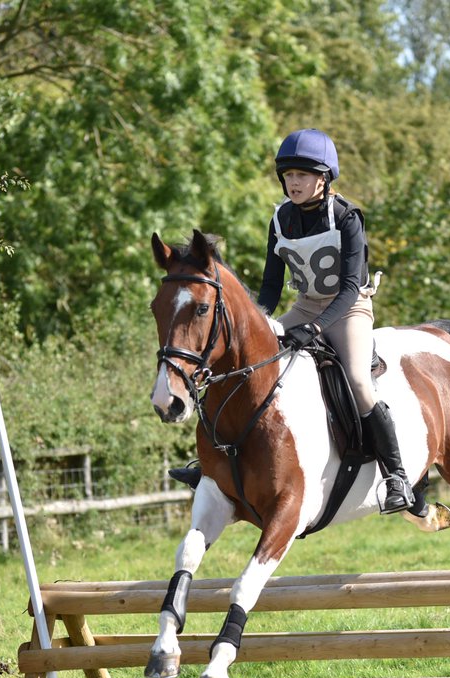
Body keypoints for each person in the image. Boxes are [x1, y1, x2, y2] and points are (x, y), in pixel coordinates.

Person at [169, 128, 415, 514]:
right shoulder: (281, 218)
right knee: (243, 362)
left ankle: (396, 476)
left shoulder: (346, 217)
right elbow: (270, 286)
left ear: (324, 178)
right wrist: (259, 323)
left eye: (302, 175)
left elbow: (351, 286)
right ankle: (211, 463)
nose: (293, 182)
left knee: (358, 381)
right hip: (304, 305)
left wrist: (316, 328)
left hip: (348, 308)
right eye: (288, 175)